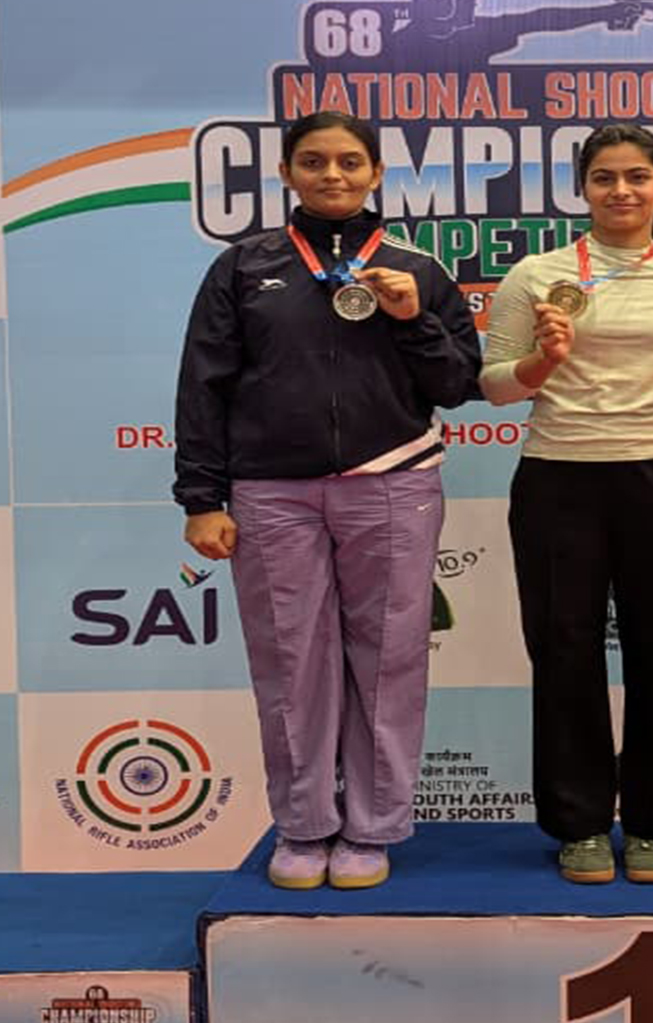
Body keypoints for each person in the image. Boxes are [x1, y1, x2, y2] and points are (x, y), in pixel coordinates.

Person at [173, 111, 480, 890]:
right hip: (273, 491)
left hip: (394, 480)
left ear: (378, 173)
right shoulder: (245, 268)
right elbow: (203, 388)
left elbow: (458, 385)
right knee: (289, 661)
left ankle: (374, 830)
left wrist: (413, 319)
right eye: (314, 162)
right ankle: (304, 825)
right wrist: (201, 498)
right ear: (287, 174)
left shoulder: (416, 267)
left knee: (389, 660)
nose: (333, 175)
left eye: (350, 162)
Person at [479, 124, 653, 885]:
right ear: (581, 189)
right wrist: (543, 360)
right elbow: (493, 384)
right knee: (564, 653)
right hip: (560, 476)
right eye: (603, 178)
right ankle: (580, 824)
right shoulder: (537, 274)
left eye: (636, 177)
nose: (621, 191)